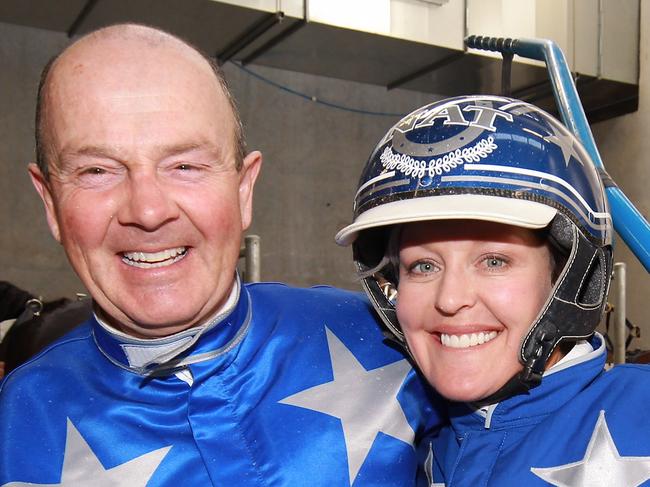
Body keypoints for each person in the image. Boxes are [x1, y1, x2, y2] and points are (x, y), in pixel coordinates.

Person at [0, 24, 439, 486]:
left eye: (185, 166)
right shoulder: (18, 425)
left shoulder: (393, 341)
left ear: (244, 188)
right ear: (50, 202)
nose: (148, 211)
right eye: (96, 170)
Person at [336, 95, 650, 485]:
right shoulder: (395, 443)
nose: (450, 299)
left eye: (494, 261)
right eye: (424, 266)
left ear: (570, 276)